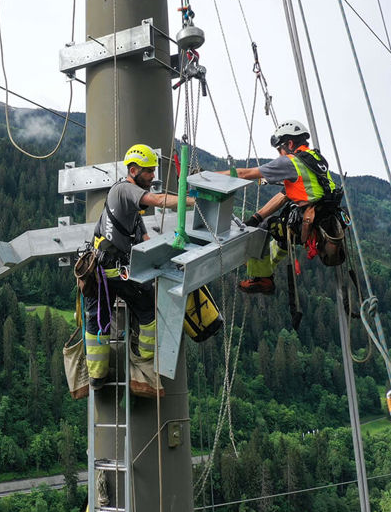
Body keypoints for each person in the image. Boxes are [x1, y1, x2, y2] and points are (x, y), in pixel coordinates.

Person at [84, 144, 195, 389]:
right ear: (133, 170)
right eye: (148, 171)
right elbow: (157, 199)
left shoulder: (132, 210)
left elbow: (144, 240)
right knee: (145, 313)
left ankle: (98, 375)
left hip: (105, 271)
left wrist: (168, 254)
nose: (153, 176)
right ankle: (140, 364)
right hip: (113, 271)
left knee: (98, 320)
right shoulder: (125, 189)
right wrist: (191, 201)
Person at [221, 119, 339, 295]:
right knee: (277, 224)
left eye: (279, 150)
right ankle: (266, 266)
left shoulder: (290, 162)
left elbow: (245, 174)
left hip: (309, 222)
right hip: (325, 220)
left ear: (289, 143)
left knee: (261, 229)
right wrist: (256, 217)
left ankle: (261, 277)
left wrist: (208, 177)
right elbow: (284, 195)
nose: (279, 155)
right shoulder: (314, 159)